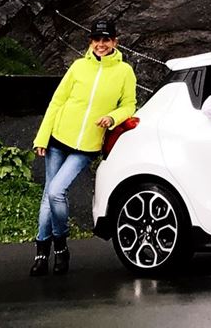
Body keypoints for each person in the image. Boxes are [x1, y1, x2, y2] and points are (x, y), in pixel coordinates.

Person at [30, 16, 136, 277]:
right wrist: (42, 137)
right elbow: (57, 101)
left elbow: (129, 105)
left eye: (106, 39)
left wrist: (112, 118)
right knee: (48, 197)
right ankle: (43, 253)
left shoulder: (124, 72)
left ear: (115, 42)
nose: (101, 44)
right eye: (97, 39)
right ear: (91, 41)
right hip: (58, 138)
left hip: (86, 145)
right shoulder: (78, 67)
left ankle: (62, 245)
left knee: (56, 192)